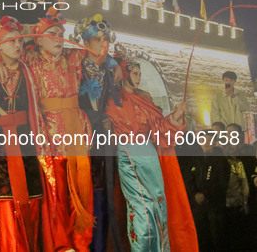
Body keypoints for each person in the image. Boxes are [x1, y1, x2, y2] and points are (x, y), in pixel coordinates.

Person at [106, 57, 198, 252]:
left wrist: (175, 116)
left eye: (140, 73)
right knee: (140, 206)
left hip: (149, 153)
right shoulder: (114, 98)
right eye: (135, 73)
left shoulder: (145, 98)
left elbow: (158, 127)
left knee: (158, 202)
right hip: (129, 153)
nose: (139, 77)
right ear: (125, 73)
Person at [0, 17, 53, 250]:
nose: (17, 46)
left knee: (33, 192)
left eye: (19, 41)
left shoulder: (29, 69)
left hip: (26, 137)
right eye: (10, 42)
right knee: (6, 195)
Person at [26, 9, 94, 250]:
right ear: (39, 39)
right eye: (51, 34)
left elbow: (97, 53)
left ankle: (81, 241)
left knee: (82, 186)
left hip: (75, 124)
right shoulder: (30, 60)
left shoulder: (74, 58)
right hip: (50, 130)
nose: (57, 38)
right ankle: (61, 245)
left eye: (60, 34)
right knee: (56, 190)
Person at [74, 14, 122, 252]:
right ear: (85, 43)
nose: (104, 44)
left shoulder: (110, 71)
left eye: (106, 39)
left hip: (105, 141)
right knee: (86, 196)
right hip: (81, 138)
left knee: (104, 197)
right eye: (97, 39)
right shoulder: (75, 68)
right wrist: (95, 119)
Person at [190, 129, 229, 252]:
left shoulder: (221, 160)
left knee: (216, 236)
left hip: (215, 205)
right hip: (199, 207)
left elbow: (222, 183)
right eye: (202, 140)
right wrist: (195, 194)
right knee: (202, 236)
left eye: (209, 140)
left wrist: (206, 195)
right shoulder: (196, 159)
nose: (205, 143)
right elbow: (190, 179)